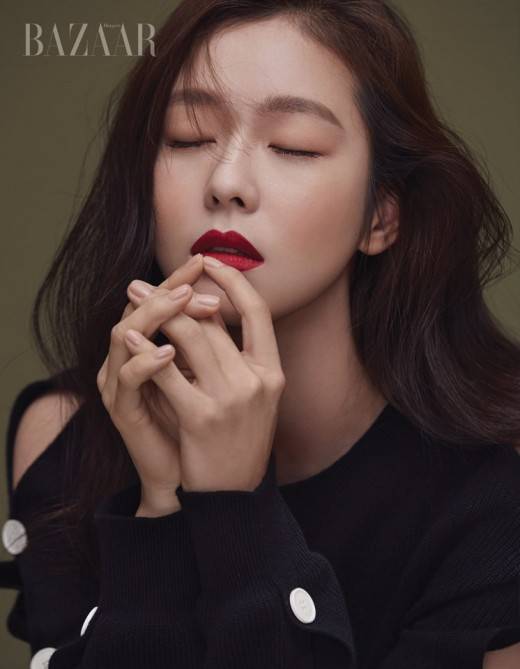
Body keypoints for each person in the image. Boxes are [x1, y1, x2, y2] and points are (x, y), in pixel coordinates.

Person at [1, 1, 520, 667]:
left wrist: (235, 512)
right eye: (187, 137)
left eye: (293, 146)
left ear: (382, 217)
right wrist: (161, 507)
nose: (226, 182)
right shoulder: (63, 437)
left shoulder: (496, 492)